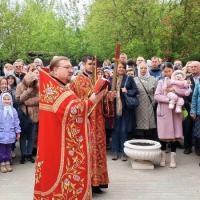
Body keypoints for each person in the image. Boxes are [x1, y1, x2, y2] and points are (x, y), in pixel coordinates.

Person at [33, 56, 104, 200]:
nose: (71, 70)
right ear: (54, 70)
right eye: (66, 67)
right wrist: (93, 99)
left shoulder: (57, 86)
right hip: (57, 146)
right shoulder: (54, 90)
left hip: (56, 142)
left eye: (71, 67)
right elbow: (74, 110)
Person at [70, 55, 109, 194]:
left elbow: (103, 101)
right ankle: (89, 184)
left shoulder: (97, 79)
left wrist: (107, 96)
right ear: (83, 64)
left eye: (93, 64)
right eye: (89, 64)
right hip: (86, 121)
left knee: (98, 150)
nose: (92, 66)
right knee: (88, 150)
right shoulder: (76, 81)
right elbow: (75, 102)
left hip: (98, 121)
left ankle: (98, 182)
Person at [154, 62, 191, 168]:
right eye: (165, 71)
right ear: (162, 72)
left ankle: (173, 159)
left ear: (173, 71)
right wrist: (169, 99)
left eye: (169, 71)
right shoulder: (160, 82)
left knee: (174, 137)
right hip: (164, 111)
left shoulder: (179, 82)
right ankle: (163, 157)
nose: (167, 73)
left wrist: (176, 90)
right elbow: (156, 96)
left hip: (175, 112)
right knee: (163, 137)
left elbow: (184, 94)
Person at [111, 62, 138, 161]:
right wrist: (110, 94)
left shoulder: (129, 78)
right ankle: (114, 151)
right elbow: (106, 92)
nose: (121, 69)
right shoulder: (111, 79)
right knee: (115, 130)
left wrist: (127, 91)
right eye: (119, 67)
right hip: (114, 108)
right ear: (115, 69)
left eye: (123, 67)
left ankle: (124, 152)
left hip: (125, 108)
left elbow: (136, 90)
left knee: (124, 130)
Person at [16, 69, 39, 164]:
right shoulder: (20, 86)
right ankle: (23, 155)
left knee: (32, 136)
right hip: (24, 115)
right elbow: (18, 100)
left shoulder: (37, 86)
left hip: (35, 115)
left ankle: (29, 154)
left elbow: (39, 99)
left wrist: (27, 102)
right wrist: (28, 92)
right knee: (23, 137)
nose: (33, 83)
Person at [134, 62, 157, 140]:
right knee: (139, 124)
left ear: (148, 69)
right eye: (141, 68)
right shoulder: (135, 79)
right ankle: (140, 141)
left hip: (150, 105)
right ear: (138, 69)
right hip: (138, 106)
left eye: (145, 68)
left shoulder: (153, 79)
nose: (143, 70)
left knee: (149, 124)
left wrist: (154, 102)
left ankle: (149, 141)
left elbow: (156, 92)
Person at [0, 93, 20, 173]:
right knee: (2, 149)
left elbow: (16, 121)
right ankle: (2, 163)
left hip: (10, 133)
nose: (6, 101)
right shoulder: (0, 110)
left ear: (11, 100)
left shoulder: (13, 110)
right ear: (1, 100)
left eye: (8, 99)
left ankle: (8, 162)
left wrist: (18, 131)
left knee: (8, 149)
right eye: (5, 99)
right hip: (2, 133)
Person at [190, 81, 200, 166]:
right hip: (199, 112)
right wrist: (193, 111)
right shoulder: (198, 82)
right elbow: (194, 97)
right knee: (199, 135)